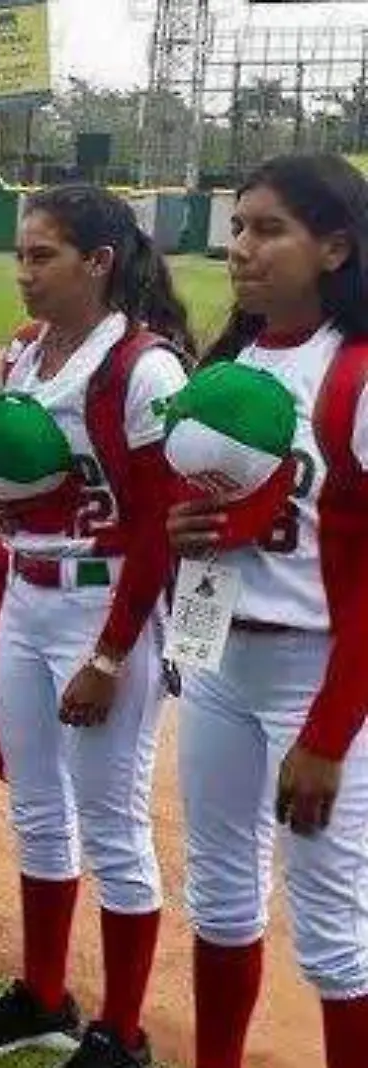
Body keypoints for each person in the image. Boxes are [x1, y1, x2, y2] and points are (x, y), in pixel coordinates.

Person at [0, 185, 193, 1066]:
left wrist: (113, 654)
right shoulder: (21, 353)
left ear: (100, 262)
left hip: (106, 605)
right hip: (26, 592)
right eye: (20, 254)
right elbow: (47, 485)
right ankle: (43, 996)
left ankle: (122, 1033)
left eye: (43, 255)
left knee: (114, 825)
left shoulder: (144, 368)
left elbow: (161, 526)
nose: (24, 273)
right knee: (39, 813)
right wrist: (2, 496)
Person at [166, 153, 368, 1068]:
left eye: (268, 229)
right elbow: (211, 522)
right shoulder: (233, 362)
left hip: (320, 676)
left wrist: (329, 734)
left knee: (333, 924)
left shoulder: (355, 374)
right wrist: (185, 528)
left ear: (334, 247)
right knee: (218, 892)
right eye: (237, 227)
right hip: (218, 662)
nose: (241, 248)